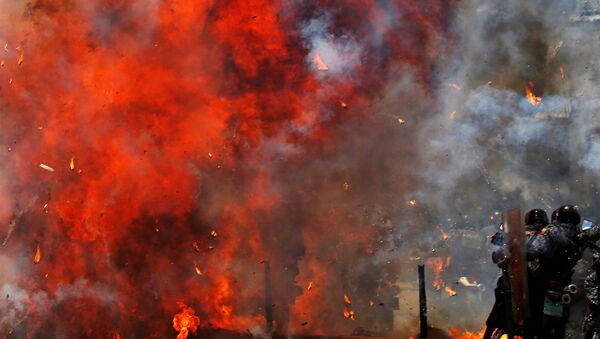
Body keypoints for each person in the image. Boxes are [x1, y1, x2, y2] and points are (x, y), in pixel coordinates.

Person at [483, 208, 549, 339]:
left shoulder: (517, 234)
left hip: (513, 282)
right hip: (534, 285)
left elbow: (497, 254)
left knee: (500, 308)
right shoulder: (546, 235)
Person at [528, 205, 583, 339]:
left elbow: (534, 249)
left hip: (544, 278)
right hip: (565, 280)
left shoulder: (550, 231)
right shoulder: (580, 234)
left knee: (530, 300)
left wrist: (525, 253)